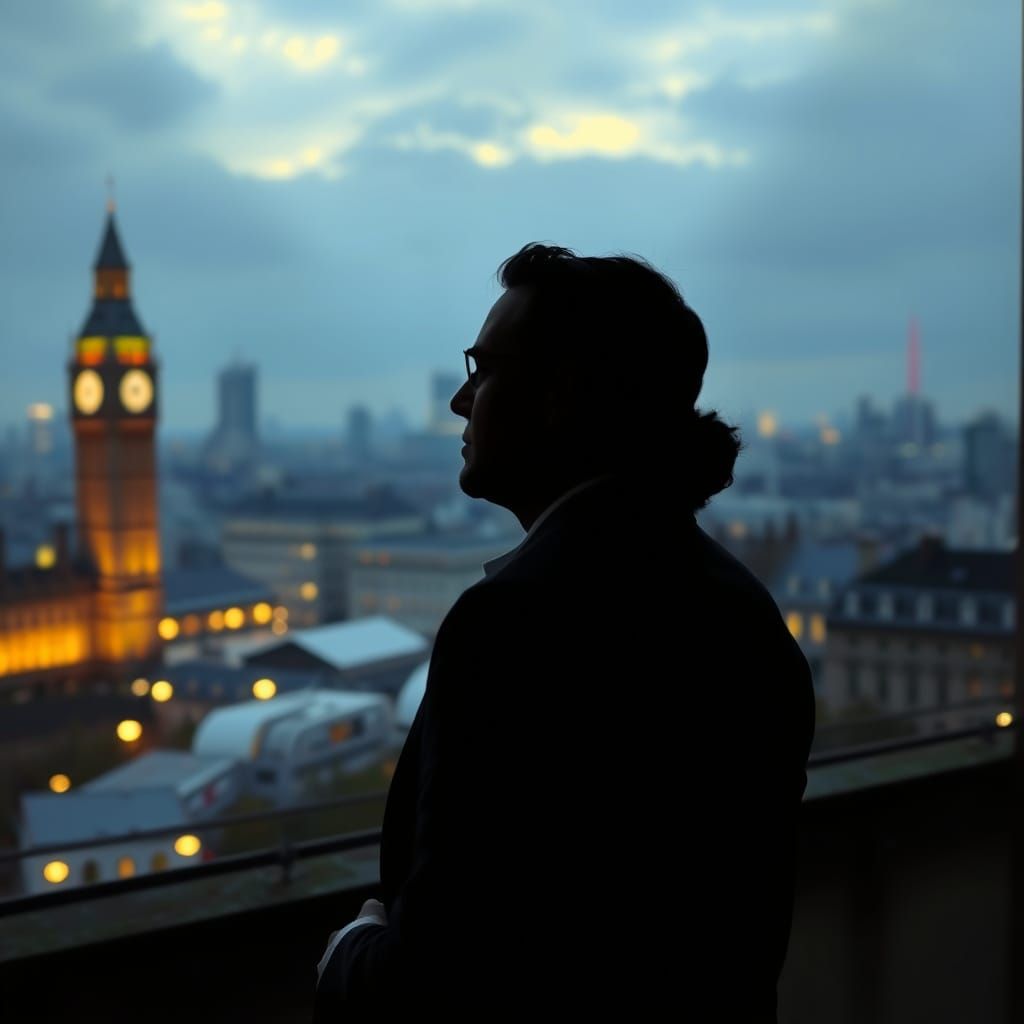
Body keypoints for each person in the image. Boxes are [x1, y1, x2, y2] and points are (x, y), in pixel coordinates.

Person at [313, 244, 815, 1021]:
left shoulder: (514, 624)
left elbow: (446, 980)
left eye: (482, 369)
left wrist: (350, 953)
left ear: (560, 395)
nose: (458, 399)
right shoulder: (741, 610)